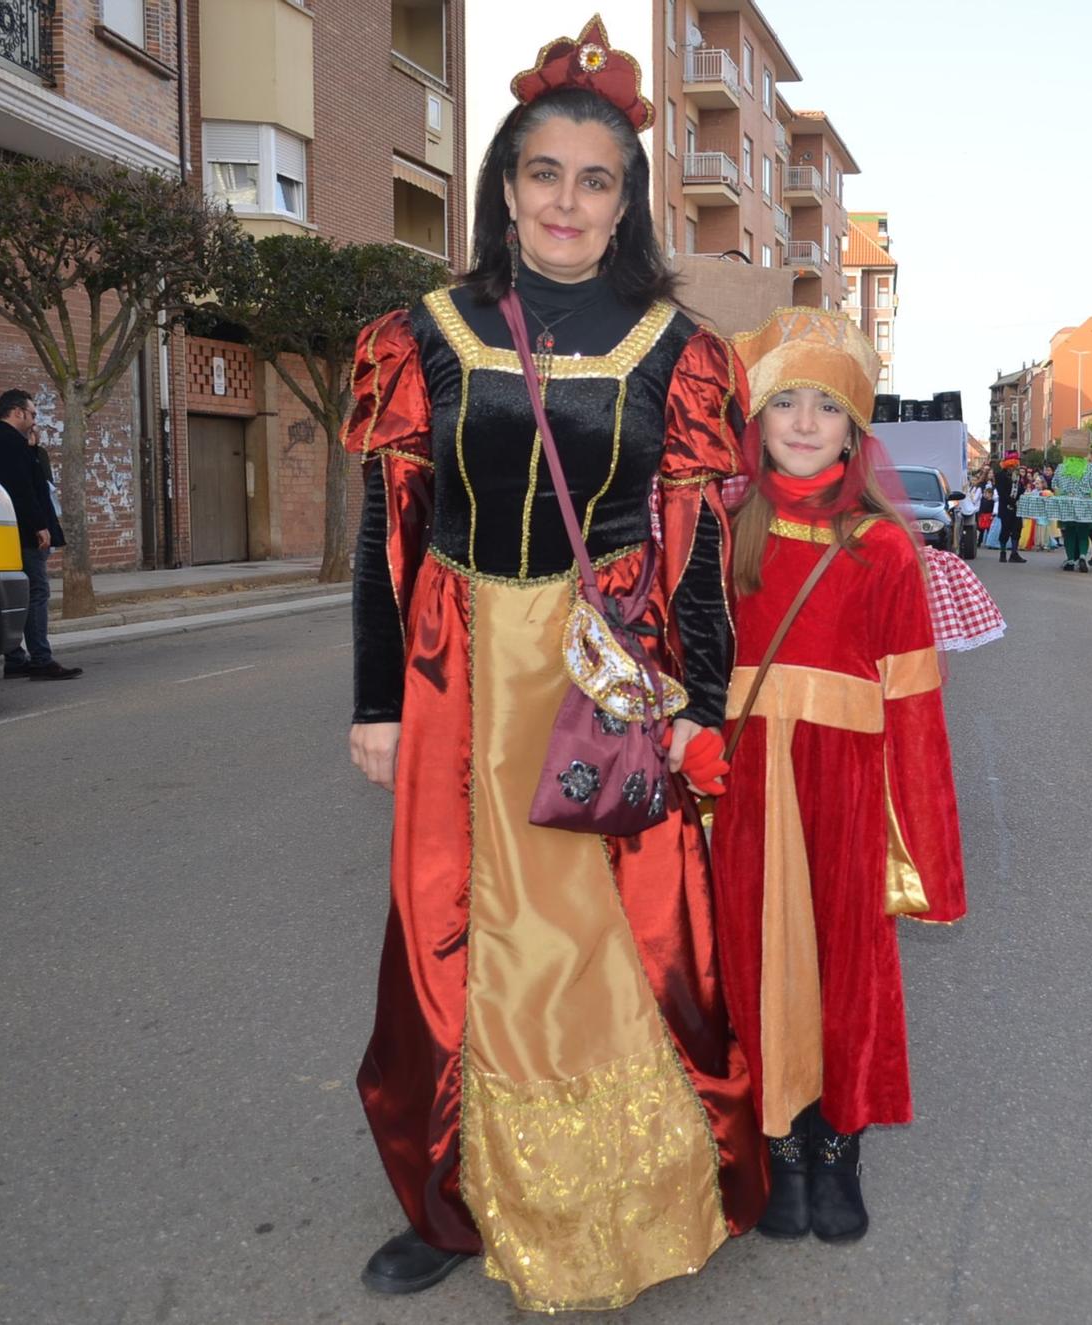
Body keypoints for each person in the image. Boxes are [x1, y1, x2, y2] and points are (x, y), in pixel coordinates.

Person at [340, 21, 766, 1308]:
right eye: (543, 175)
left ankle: (630, 1199)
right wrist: (371, 702)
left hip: (610, 672)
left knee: (610, 936)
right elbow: (386, 536)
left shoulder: (678, 352)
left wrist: (701, 707)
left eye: (594, 179)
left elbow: (693, 559)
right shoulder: (418, 335)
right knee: (452, 931)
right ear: (504, 188)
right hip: (459, 664)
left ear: (625, 199)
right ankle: (456, 1195)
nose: (566, 200)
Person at [716, 307, 967, 1245]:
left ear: (855, 426)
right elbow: (693, 669)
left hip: (849, 789)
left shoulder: (886, 548)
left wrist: (927, 848)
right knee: (758, 957)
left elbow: (913, 705)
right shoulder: (722, 529)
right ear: (760, 417)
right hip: (747, 787)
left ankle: (837, 1148)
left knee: (846, 968)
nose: (807, 421)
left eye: (827, 405)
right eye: (788, 401)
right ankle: (777, 1146)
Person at [0, 389, 82, 681]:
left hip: (3, 532)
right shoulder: (9, 443)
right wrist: (39, 525)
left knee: (16, 594)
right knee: (36, 592)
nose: (34, 421)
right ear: (18, 412)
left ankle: (16, 658)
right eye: (33, 414)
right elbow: (21, 488)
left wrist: (32, 450)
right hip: (23, 533)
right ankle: (41, 659)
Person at [1053, 433, 1092, 572]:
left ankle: (1070, 560)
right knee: (1083, 531)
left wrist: (1065, 492)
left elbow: (1054, 485)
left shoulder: (1061, 468)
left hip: (1067, 505)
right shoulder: (1089, 468)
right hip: (1084, 504)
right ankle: (1081, 556)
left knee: (1069, 532)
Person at [994, 449, 1027, 563]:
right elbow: (1001, 493)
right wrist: (1011, 502)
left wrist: (1021, 487)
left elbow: (1021, 490)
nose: (1015, 466)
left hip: (1016, 507)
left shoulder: (1017, 476)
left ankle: (1014, 553)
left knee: (1017, 529)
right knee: (1005, 530)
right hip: (1005, 507)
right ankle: (1002, 553)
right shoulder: (1000, 476)